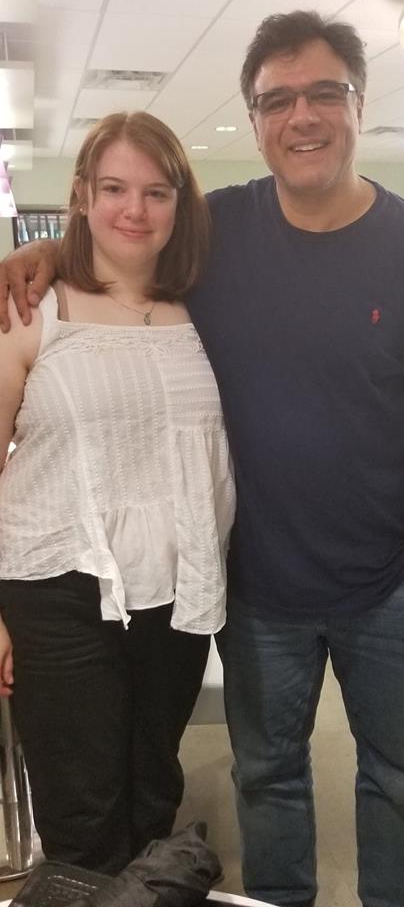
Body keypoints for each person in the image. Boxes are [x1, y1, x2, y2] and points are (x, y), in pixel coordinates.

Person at [1, 10, 404, 907]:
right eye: (277, 99)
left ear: (359, 103)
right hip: (256, 590)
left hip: (389, 585)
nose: (302, 116)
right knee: (267, 776)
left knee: (401, 778)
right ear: (254, 119)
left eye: (324, 92)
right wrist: (41, 249)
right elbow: (125, 234)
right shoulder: (224, 232)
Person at [0, 111, 235, 875]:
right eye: (113, 189)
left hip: (177, 592)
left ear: (179, 203)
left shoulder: (205, 306)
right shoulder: (30, 312)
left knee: (152, 794)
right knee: (84, 818)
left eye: (156, 192)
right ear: (81, 195)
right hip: (57, 592)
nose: (135, 209)